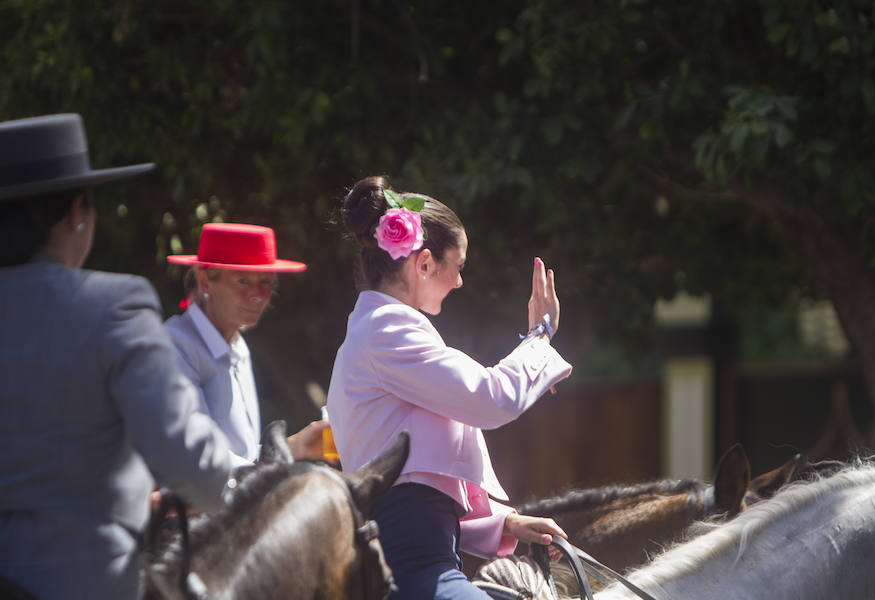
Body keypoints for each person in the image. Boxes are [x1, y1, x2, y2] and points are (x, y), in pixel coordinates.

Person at [0, 114, 233, 599]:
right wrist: (235, 483)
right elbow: (183, 455)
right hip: (82, 580)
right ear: (76, 213)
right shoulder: (114, 304)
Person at [327, 175, 573, 599]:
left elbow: (422, 478)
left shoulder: (380, 331)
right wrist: (541, 334)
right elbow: (491, 398)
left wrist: (504, 524)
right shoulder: (387, 330)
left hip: (422, 562)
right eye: (457, 267)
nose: (460, 282)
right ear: (423, 264)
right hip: (411, 569)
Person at [165, 222, 330, 469]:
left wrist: (296, 447)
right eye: (243, 281)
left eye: (266, 282)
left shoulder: (239, 347)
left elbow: (243, 454)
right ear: (205, 281)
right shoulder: (175, 346)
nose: (257, 295)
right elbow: (197, 457)